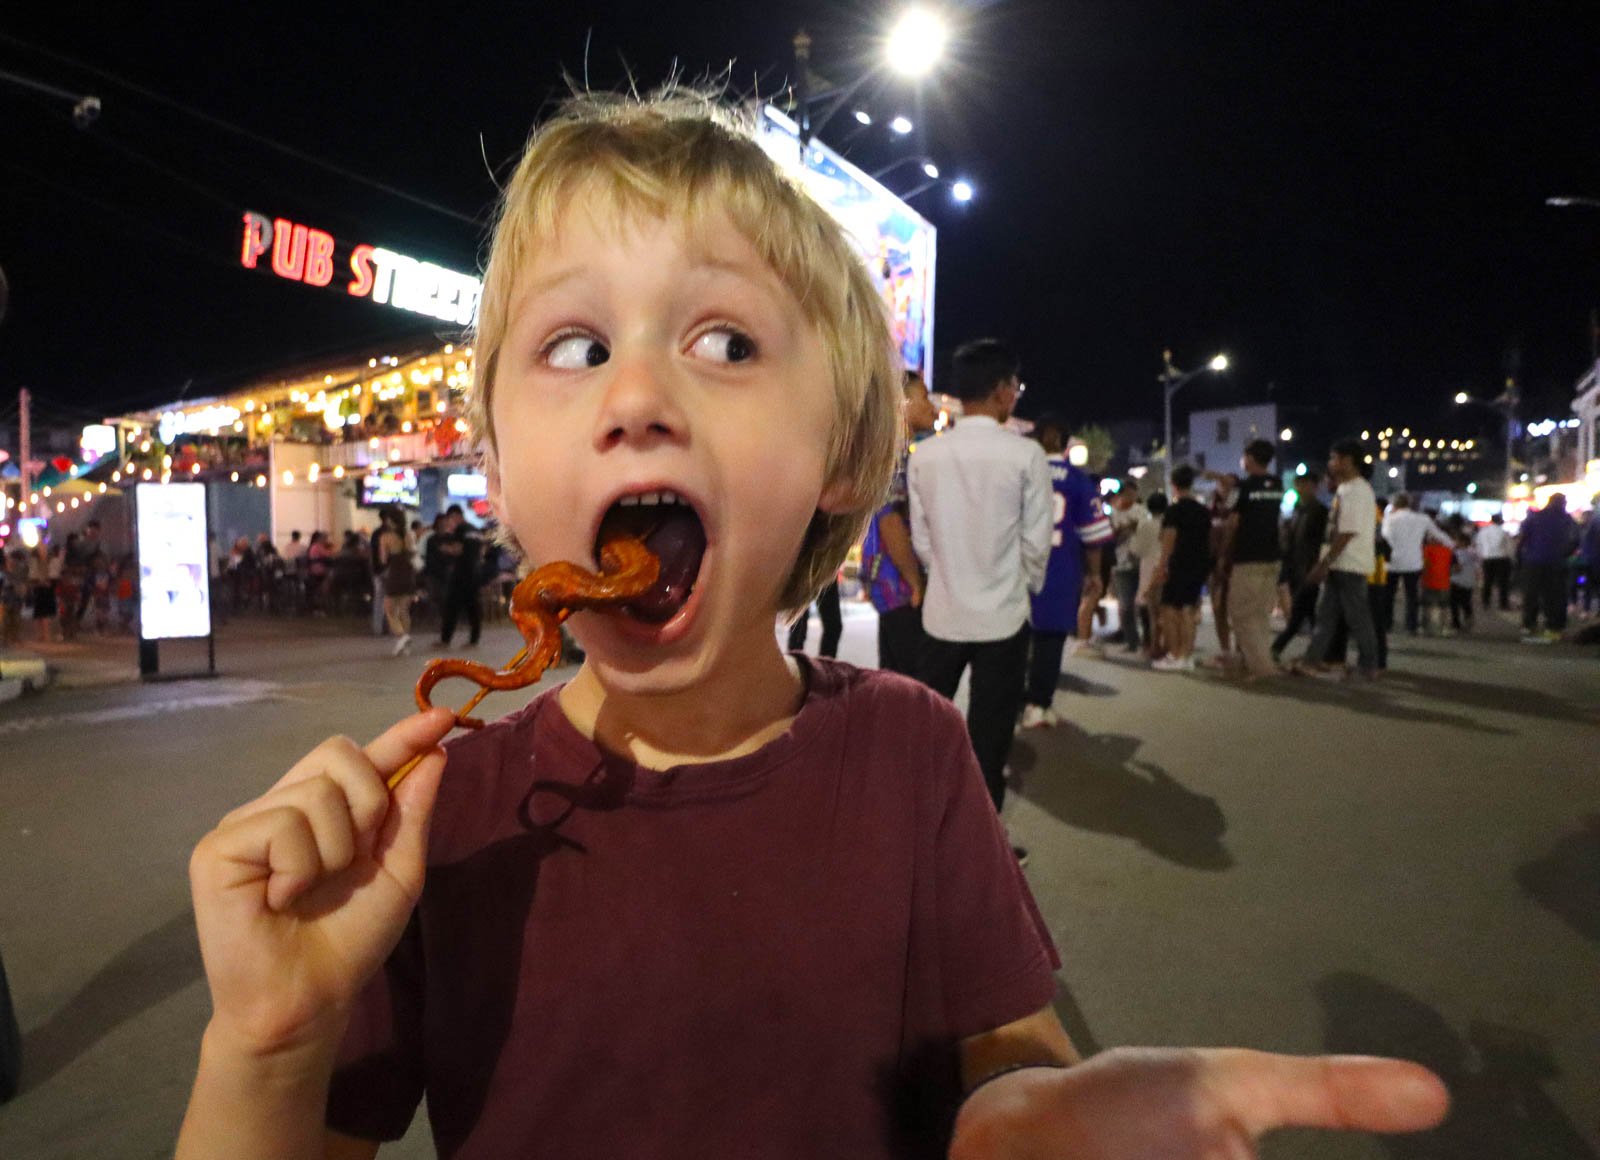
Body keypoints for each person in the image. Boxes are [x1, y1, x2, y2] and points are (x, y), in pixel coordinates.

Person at [177, 91, 1447, 1160]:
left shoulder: (910, 751)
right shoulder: (435, 820)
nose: (634, 396)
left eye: (724, 339)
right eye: (572, 345)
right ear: (500, 473)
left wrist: (1036, 1113)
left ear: (843, 457)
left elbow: (1012, 1054)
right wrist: (264, 1047)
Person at [911, 338, 1051, 825]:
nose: (1016, 393)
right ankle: (980, 838)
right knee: (990, 736)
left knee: (927, 725)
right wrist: (1023, 586)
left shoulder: (925, 457)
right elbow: (1037, 541)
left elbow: (923, 538)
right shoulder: (1025, 455)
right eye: (1014, 384)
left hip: (942, 612)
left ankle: (918, 825)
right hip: (1004, 617)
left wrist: (945, 572)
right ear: (1000, 391)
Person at [1020, 416, 1112, 727]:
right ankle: (1037, 703)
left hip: (1014, 569)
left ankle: (1013, 701)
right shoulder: (1077, 480)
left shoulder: (1018, 472)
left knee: (1014, 638)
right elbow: (1094, 537)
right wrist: (1095, 574)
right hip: (1059, 570)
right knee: (1049, 640)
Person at [861, 370, 938, 676]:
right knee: (912, 682)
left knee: (892, 680)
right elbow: (890, 521)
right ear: (900, 402)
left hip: (889, 581)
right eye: (925, 397)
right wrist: (915, 580)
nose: (932, 407)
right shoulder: (892, 454)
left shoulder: (889, 449)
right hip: (899, 585)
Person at [1293, 439, 1381, 679]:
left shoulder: (1356, 490)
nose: (1330, 463)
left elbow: (1347, 532)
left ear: (1348, 461)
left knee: (1357, 617)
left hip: (1349, 563)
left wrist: (1324, 563)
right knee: (1327, 615)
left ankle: (1369, 665)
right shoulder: (1346, 489)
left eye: (1334, 458)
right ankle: (1312, 659)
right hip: (1341, 563)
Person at [1218, 439, 1285, 678]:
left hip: (1248, 556)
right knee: (1259, 615)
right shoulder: (1277, 484)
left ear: (1251, 458)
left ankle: (1262, 668)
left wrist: (1224, 553)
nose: (1242, 461)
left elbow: (1232, 522)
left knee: (1241, 614)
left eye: (1244, 456)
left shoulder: (1243, 488)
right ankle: (1255, 662)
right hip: (1272, 555)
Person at [1149, 464, 1210, 671]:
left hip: (1179, 564)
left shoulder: (1174, 511)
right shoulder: (1203, 511)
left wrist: (1161, 566)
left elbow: (1168, 540)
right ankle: (1187, 655)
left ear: (1173, 484)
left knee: (1169, 609)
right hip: (1199, 564)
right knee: (1188, 610)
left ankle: (1175, 654)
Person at [1271, 471, 1329, 662]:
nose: (1300, 489)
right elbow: (1291, 540)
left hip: (1309, 566)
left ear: (1314, 486)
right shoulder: (1298, 509)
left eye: (1303, 485)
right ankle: (1319, 652)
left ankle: (1277, 647)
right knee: (1309, 611)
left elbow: (1322, 541)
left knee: (1299, 611)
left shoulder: (1319, 511)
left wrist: (1320, 565)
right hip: (1296, 566)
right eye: (1297, 485)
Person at [1382, 494, 1452, 634]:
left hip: (1393, 561)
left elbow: (1386, 536)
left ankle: (1386, 623)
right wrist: (1452, 544)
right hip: (1413, 562)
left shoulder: (1389, 519)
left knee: (1388, 595)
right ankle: (1411, 625)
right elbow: (1438, 534)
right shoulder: (1422, 519)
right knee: (1412, 595)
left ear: (1395, 506)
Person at [1518, 492, 1577, 643]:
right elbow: (1575, 540)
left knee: (1532, 594)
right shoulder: (1567, 520)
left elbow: (1523, 538)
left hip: (1533, 561)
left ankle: (1529, 624)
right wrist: (1565, 554)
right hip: (1556, 563)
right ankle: (1554, 627)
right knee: (1555, 596)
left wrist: (1522, 556)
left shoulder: (1535, 517)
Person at [436, 505, 484, 647]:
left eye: (450, 519)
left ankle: (445, 639)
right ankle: (474, 639)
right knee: (473, 607)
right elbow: (481, 552)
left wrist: (444, 548)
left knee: (451, 607)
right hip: (475, 572)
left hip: (460, 573)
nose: (450, 523)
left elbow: (458, 549)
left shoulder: (461, 529)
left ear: (455, 516)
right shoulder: (475, 530)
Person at [1130, 490, 1168, 659]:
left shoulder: (1145, 525)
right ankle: (1169, 645)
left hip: (1150, 568)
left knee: (1152, 612)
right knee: (1168, 611)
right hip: (1168, 567)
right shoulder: (1169, 524)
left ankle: (1154, 646)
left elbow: (1136, 550)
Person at [1108, 483, 1144, 653]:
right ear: (1120, 495)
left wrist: (1127, 529)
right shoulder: (1113, 514)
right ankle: (1131, 640)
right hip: (1121, 563)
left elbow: (1143, 531)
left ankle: (1148, 639)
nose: (1131, 497)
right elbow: (1111, 537)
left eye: (1134, 494)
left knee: (1143, 603)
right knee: (1125, 604)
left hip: (1141, 561)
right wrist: (1124, 529)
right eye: (1128, 493)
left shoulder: (1140, 511)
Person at [1206, 471, 1239, 657]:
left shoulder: (1240, 508)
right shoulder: (1213, 508)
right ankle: (1225, 650)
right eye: (1222, 484)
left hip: (1236, 562)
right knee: (1218, 609)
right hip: (1214, 563)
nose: (1224, 487)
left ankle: (1242, 650)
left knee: (1237, 610)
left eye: (1229, 485)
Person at [377, 510, 417, 656]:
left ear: (390, 521)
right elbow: (413, 553)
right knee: (404, 610)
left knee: (389, 609)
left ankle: (402, 636)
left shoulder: (386, 537)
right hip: (408, 573)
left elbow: (383, 559)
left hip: (394, 572)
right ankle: (405, 647)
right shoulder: (409, 535)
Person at [785, 576, 842, 657]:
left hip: (826, 568)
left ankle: (825, 665)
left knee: (834, 625)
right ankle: (794, 662)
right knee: (798, 626)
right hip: (801, 569)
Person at [1475, 513, 1513, 610]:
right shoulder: (1503, 532)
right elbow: (1509, 547)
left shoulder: (1483, 532)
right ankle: (1503, 604)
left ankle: (1485, 602)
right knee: (1503, 583)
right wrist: (1511, 557)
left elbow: (1478, 545)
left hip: (1487, 558)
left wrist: (1480, 557)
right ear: (1500, 521)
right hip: (1502, 559)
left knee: (1488, 581)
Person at [1419, 534, 1453, 636]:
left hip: (1427, 582)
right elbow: (1456, 567)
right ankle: (1444, 629)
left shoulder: (1424, 550)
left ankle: (1424, 628)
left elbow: (1422, 565)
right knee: (1444, 607)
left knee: (1427, 607)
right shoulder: (1448, 551)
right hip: (1444, 583)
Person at [1449, 531, 1479, 632]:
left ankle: (1456, 623)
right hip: (1469, 582)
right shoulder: (1473, 553)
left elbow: (1457, 568)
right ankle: (1468, 618)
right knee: (1466, 602)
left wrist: (1448, 570)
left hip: (1457, 581)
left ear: (1461, 542)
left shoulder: (1458, 553)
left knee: (1454, 603)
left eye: (1456, 540)